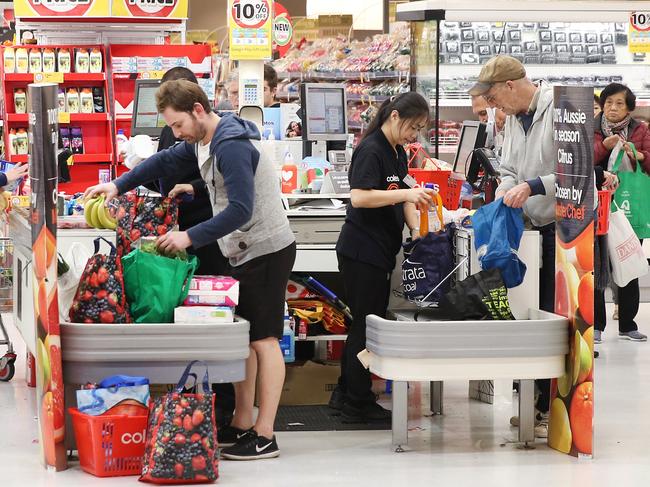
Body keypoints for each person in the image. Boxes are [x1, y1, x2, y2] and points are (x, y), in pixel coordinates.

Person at [85, 80, 296, 460]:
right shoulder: (205, 140)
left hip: (265, 249)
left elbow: (241, 209)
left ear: (198, 110)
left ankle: (266, 434)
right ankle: (242, 421)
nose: (177, 133)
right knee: (246, 338)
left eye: (178, 124)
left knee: (264, 341)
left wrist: (189, 237)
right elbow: (165, 161)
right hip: (243, 252)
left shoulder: (229, 144)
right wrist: (117, 185)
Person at [329, 92, 435, 422]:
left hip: (381, 251)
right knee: (366, 327)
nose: (413, 135)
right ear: (394, 117)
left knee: (365, 323)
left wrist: (417, 229)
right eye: (412, 127)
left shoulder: (397, 153)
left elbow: (403, 196)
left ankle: (345, 393)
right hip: (362, 251)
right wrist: (408, 193)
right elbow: (359, 198)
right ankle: (357, 403)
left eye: (419, 130)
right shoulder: (371, 149)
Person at [469, 55, 556, 437]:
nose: (493, 108)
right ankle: (532, 401)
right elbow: (506, 169)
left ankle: (551, 405)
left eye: (492, 98)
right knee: (527, 314)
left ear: (509, 85)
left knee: (553, 319)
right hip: (527, 231)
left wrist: (533, 187)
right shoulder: (513, 122)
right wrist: (506, 189)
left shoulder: (559, 109)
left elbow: (580, 168)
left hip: (561, 231)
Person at [593, 82, 649, 342]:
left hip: (628, 206)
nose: (612, 108)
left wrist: (638, 155)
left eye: (619, 103)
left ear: (628, 108)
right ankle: (596, 326)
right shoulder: (592, 127)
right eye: (608, 103)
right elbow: (583, 157)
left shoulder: (640, 129)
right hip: (597, 204)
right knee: (596, 266)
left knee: (628, 259)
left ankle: (628, 323)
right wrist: (605, 145)